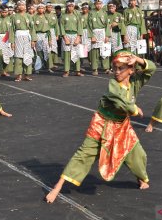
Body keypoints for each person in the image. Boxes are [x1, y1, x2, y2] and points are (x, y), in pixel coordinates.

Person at [45, 51, 155, 203]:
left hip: (121, 125)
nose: (116, 72)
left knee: (137, 152)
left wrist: (138, 59)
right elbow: (119, 101)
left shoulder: (135, 82)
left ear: (131, 70)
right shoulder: (113, 85)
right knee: (84, 154)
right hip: (101, 124)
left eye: (121, 68)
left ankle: (141, 178)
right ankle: (57, 187)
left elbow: (152, 68)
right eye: (114, 68)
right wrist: (135, 109)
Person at [9, 0, 37, 82]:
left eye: (23, 5)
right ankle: (19, 75)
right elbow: (11, 30)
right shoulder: (13, 16)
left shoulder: (29, 16)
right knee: (18, 56)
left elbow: (32, 29)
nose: (21, 6)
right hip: (18, 37)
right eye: (20, 5)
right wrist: (12, 42)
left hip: (27, 37)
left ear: (25, 7)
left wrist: (33, 40)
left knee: (28, 55)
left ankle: (27, 74)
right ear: (17, 7)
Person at [59, 0, 83, 77]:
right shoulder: (63, 16)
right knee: (67, 54)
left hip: (75, 35)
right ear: (66, 6)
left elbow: (80, 26)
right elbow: (61, 27)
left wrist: (78, 37)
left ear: (74, 6)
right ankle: (66, 71)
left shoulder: (77, 16)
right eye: (69, 6)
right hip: (66, 35)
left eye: (72, 6)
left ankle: (77, 70)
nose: (70, 8)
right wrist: (65, 38)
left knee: (76, 53)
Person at [88, 0, 111, 75]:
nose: (99, 5)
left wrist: (107, 35)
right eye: (97, 4)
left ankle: (106, 68)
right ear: (94, 4)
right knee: (95, 51)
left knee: (105, 50)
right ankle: (95, 69)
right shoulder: (91, 12)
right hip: (94, 32)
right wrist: (92, 36)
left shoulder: (104, 12)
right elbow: (89, 25)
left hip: (103, 32)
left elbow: (107, 25)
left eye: (100, 4)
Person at [0, 5, 14, 77]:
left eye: (6, 12)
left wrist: (12, 41)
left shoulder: (10, 19)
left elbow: (12, 31)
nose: (4, 13)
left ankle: (5, 70)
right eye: (3, 12)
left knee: (7, 54)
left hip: (7, 37)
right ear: (0, 12)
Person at [33, 3, 52, 73]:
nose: (41, 9)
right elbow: (32, 29)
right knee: (38, 52)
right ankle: (38, 68)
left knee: (47, 51)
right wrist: (34, 39)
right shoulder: (34, 17)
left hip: (45, 35)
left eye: (42, 8)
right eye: (39, 8)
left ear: (44, 9)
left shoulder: (46, 17)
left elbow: (49, 29)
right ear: (37, 9)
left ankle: (48, 67)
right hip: (37, 35)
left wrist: (50, 39)